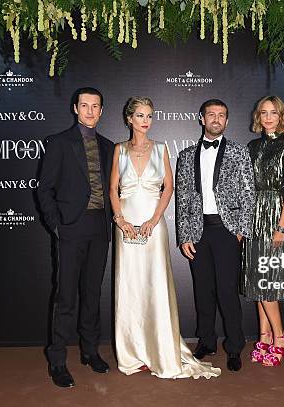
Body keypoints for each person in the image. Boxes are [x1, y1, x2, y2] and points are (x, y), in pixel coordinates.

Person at [110, 97, 220, 379]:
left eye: (149, 115)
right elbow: (113, 190)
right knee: (130, 287)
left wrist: (153, 220)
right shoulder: (119, 150)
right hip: (126, 227)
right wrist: (121, 221)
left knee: (155, 284)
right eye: (140, 115)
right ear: (129, 119)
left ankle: (160, 349)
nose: (146, 120)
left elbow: (168, 188)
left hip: (152, 225)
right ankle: (133, 353)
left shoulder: (161, 150)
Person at [37, 87, 114, 387]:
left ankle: (90, 351)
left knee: (92, 295)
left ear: (102, 110)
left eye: (96, 106)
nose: (90, 111)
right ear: (75, 108)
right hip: (70, 227)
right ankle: (57, 361)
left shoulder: (109, 146)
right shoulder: (59, 143)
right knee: (66, 296)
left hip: (99, 228)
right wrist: (56, 225)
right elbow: (44, 189)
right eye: (85, 105)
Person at [175, 99, 255, 372]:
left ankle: (234, 347)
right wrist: (184, 235)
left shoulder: (239, 152)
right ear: (201, 118)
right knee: (203, 290)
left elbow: (248, 194)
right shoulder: (185, 156)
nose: (216, 119)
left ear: (227, 121)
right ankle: (206, 341)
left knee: (227, 292)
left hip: (227, 232)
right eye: (211, 115)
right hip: (198, 232)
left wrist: (241, 231)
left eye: (222, 115)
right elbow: (183, 199)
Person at [242, 95, 284, 367]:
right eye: (263, 112)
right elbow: (247, 187)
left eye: (273, 113)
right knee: (256, 281)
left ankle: (281, 337)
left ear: (280, 116)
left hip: (275, 212)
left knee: (268, 281)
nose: (268, 117)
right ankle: (263, 337)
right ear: (258, 116)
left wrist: (281, 227)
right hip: (254, 215)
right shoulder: (252, 146)